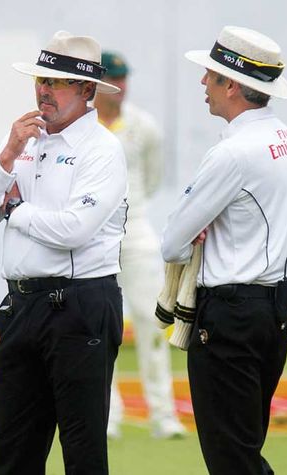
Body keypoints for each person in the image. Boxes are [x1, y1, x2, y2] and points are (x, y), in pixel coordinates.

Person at [0, 30, 128, 474]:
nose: (43, 90)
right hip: (21, 306)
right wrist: (7, 156)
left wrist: (14, 209)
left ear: (87, 90)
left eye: (56, 82)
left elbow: (74, 229)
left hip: (78, 305)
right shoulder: (22, 139)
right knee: (13, 450)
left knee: (83, 451)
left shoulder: (103, 150)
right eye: (41, 79)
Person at [161, 26, 287, 474]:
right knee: (244, 448)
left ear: (234, 85)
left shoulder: (234, 152)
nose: (204, 82)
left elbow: (172, 242)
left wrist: (199, 229)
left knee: (232, 460)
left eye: (212, 74)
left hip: (231, 315)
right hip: (272, 309)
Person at [93, 51, 186, 440]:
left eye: (124, 77)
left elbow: (151, 180)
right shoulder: (83, 126)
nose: (121, 85)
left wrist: (129, 214)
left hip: (136, 234)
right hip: (93, 239)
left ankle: (163, 415)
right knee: (101, 327)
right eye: (113, 78)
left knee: (151, 323)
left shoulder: (144, 127)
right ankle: (108, 414)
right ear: (96, 84)